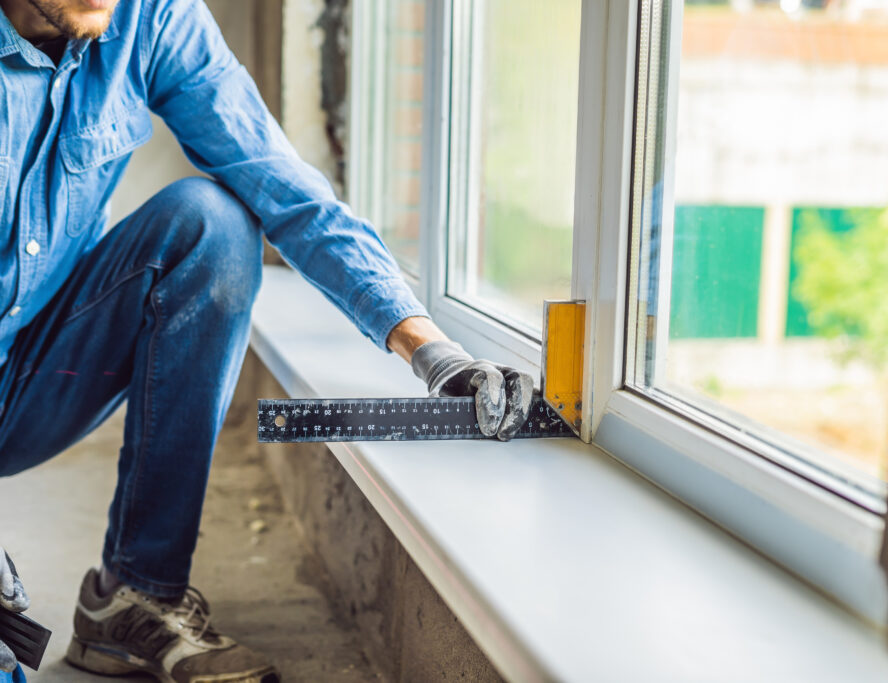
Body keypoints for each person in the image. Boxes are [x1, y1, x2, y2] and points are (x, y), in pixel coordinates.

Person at [0, 0, 533, 680]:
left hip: (35, 379)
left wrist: (431, 350)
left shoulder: (149, 18)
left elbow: (283, 185)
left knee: (211, 226)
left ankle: (137, 596)